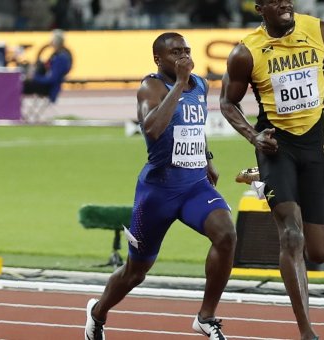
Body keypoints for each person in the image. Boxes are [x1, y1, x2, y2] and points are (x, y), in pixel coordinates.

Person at [219, 1, 324, 338]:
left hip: (312, 147)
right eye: (275, 0)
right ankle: (306, 331)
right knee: (292, 236)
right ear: (260, 8)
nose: (285, 3)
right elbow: (227, 102)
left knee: (318, 251)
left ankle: (264, 182)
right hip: (277, 147)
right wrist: (254, 138)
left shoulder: (319, 31)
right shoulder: (246, 52)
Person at [84, 32, 237, 340]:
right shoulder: (150, 87)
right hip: (158, 192)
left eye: (186, 50)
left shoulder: (202, 85)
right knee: (135, 272)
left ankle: (205, 317)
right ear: (158, 59)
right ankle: (98, 313)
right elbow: (153, 130)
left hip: (194, 185)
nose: (183, 57)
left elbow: (195, 126)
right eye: (175, 52)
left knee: (226, 234)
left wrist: (206, 157)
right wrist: (179, 84)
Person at [22, 29, 73, 104]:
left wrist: (34, 77)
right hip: (46, 85)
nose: (51, 43)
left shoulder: (61, 58)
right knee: (20, 83)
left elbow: (52, 79)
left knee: (18, 85)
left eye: (52, 41)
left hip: (48, 88)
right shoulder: (56, 56)